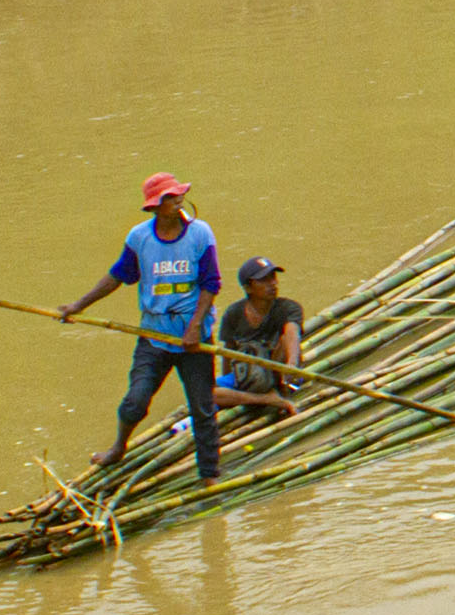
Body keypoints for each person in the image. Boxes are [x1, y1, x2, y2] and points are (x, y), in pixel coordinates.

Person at [61, 173, 224, 482]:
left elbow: (211, 284)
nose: (176, 200)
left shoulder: (200, 234)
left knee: (203, 408)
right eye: (168, 198)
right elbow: (118, 276)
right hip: (154, 336)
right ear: (154, 207)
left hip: (194, 340)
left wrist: (195, 326)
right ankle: (119, 447)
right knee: (135, 400)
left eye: (178, 195)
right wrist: (78, 306)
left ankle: (209, 475)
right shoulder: (140, 238)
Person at [213, 257, 308, 423]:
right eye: (264, 280)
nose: (273, 284)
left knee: (285, 338)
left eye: (273, 277)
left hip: (278, 372)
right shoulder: (234, 313)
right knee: (204, 392)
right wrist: (232, 381)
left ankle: (278, 391)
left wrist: (291, 366)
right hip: (248, 374)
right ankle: (264, 398)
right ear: (248, 287)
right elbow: (228, 352)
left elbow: (292, 334)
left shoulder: (289, 308)